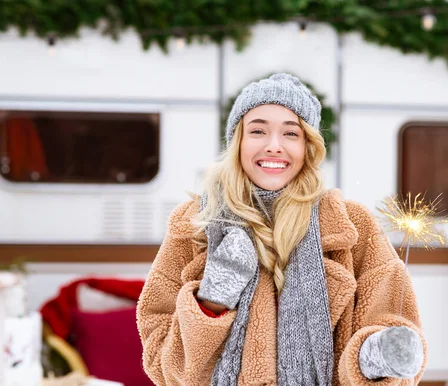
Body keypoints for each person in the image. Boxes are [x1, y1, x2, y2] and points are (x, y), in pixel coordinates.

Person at [136, 73, 427, 385]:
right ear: (238, 141)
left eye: (291, 134)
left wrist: (377, 356)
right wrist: (212, 302)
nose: (274, 146)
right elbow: (160, 360)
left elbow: (390, 317)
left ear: (308, 146)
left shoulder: (351, 224)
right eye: (258, 131)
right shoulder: (196, 222)